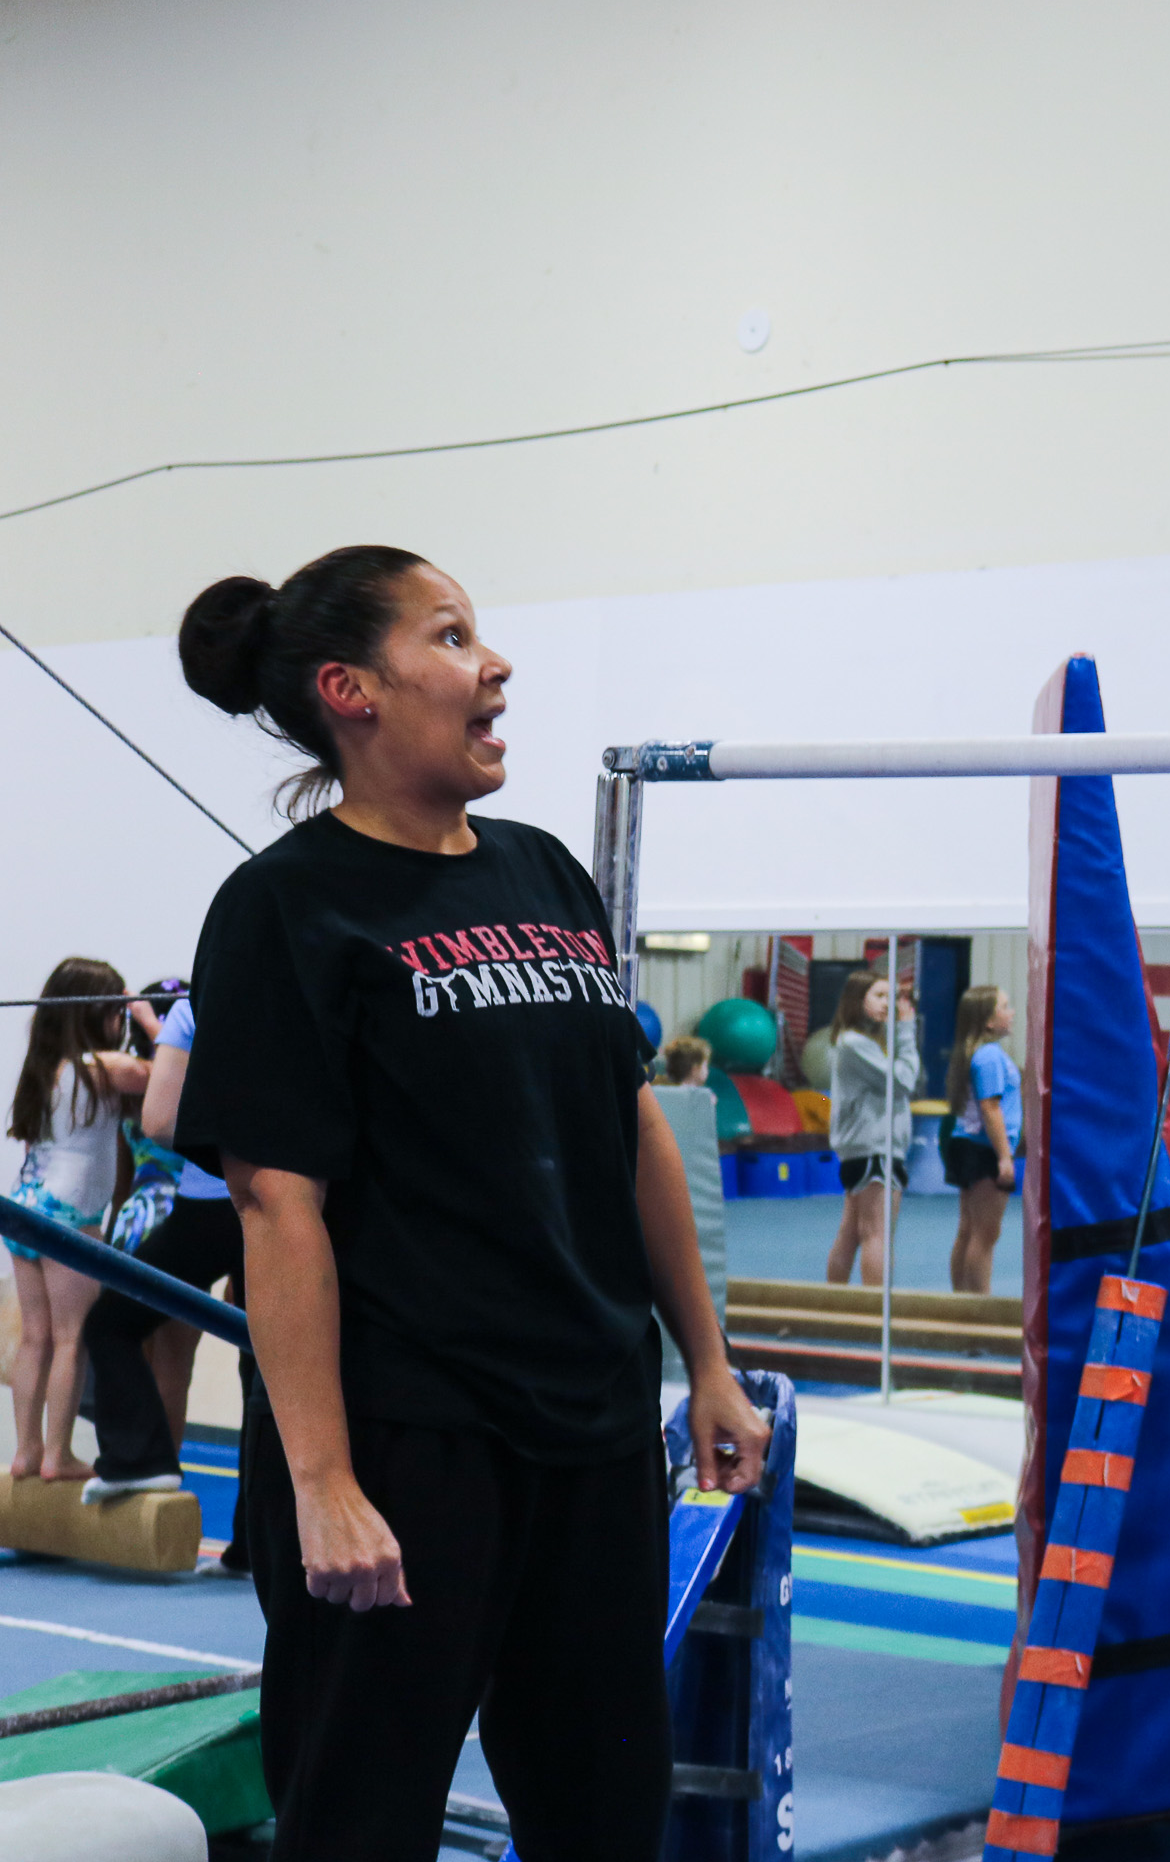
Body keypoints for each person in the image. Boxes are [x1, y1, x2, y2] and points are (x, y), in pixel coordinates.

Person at [170, 544, 768, 1862]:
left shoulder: (548, 873)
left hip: (594, 1425)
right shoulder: (285, 909)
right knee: (363, 1815)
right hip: (409, 1440)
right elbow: (279, 1208)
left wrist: (708, 1364)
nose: (493, 666)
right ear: (351, 690)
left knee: (603, 1808)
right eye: (448, 639)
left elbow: (628, 1131)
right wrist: (321, 1481)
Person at [83, 986, 258, 1567]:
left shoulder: (192, 1009)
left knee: (110, 1324)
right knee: (264, 1361)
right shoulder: (277, 997)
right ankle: (256, 1538)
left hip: (208, 1206)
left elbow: (159, 1121)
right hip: (271, 1202)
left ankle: (143, 1459)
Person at [5, 959, 152, 1482]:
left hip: (24, 1209)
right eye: (116, 1011)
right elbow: (166, 1072)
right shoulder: (100, 1066)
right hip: (70, 1216)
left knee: (35, 1337)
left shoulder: (43, 1068)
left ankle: (26, 1451)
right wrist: (150, 1020)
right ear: (100, 1011)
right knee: (72, 1337)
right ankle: (57, 1456)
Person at [824, 970, 919, 1286]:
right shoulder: (854, 1044)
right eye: (879, 996)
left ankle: (832, 1305)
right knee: (877, 1233)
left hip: (865, 1148)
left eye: (891, 997)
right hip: (875, 1149)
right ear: (856, 1001)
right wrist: (906, 1029)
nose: (887, 1005)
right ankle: (876, 1311)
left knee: (851, 1233)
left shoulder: (859, 1042)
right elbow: (903, 1081)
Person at [943, 986, 1021, 1294]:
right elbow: (991, 1108)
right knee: (985, 1234)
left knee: (968, 1230)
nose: (1011, 1011)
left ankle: (962, 1304)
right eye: (1005, 1006)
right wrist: (1004, 1156)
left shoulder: (977, 1052)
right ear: (988, 1021)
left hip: (968, 1145)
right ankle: (979, 1307)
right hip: (983, 1149)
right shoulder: (989, 1056)